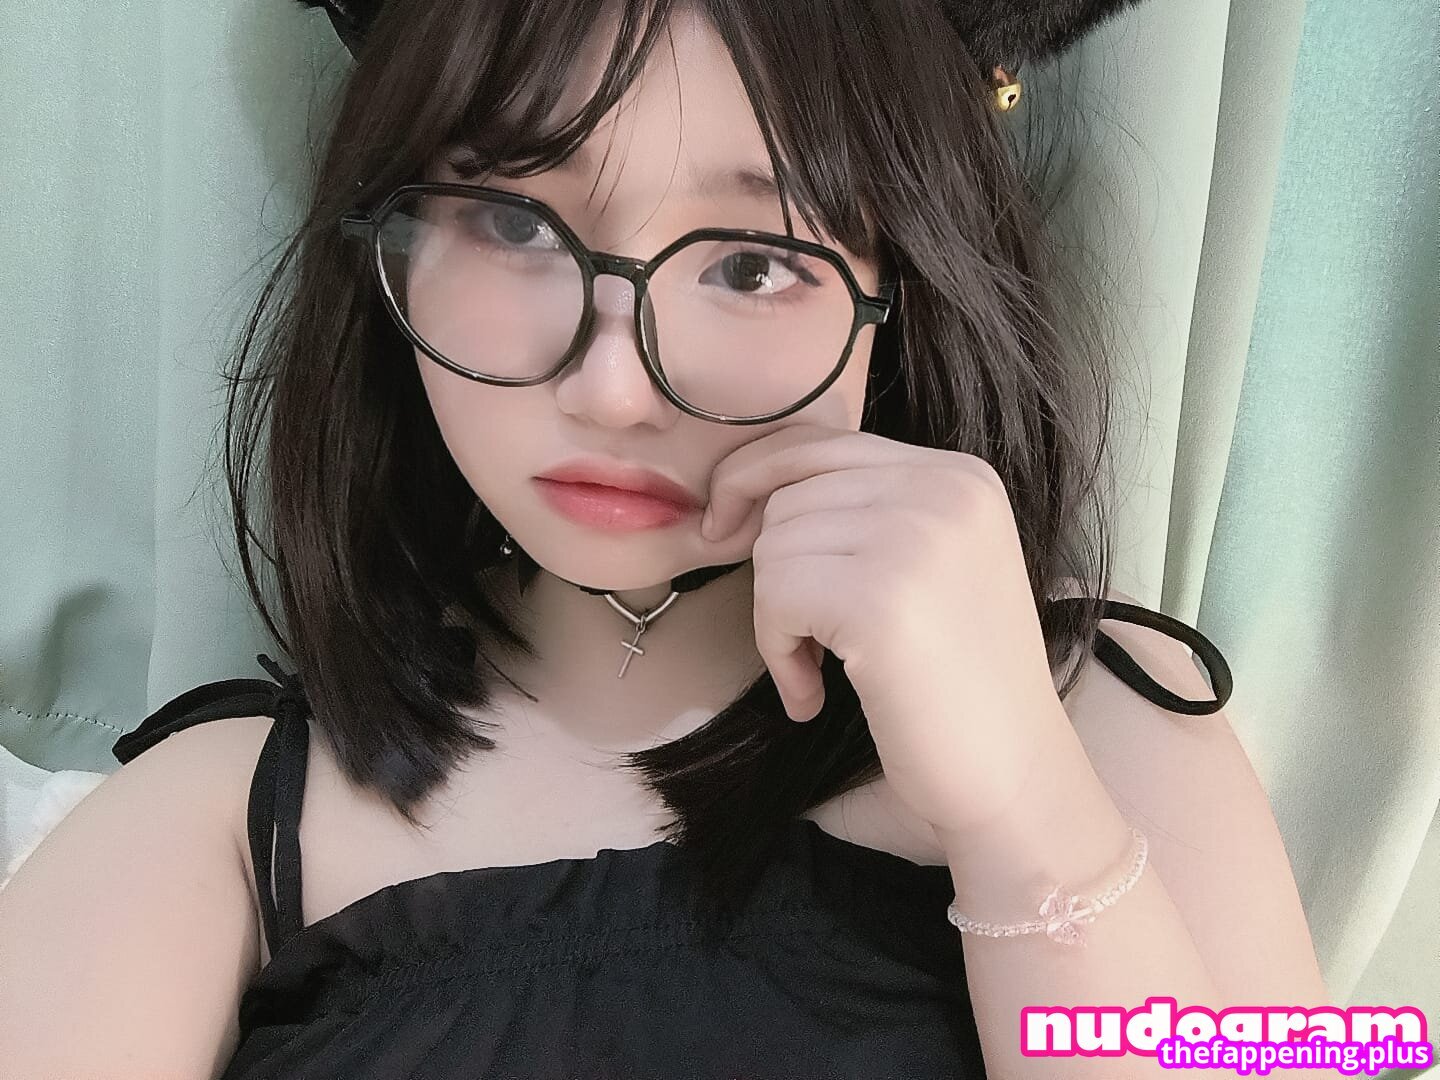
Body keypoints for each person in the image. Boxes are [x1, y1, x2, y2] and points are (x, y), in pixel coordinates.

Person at [0, 0, 1330, 1077]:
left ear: (906, 291)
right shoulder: (222, 814)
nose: (613, 387)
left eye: (752, 263)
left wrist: (1026, 818)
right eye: (513, 223)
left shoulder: (1109, 722)